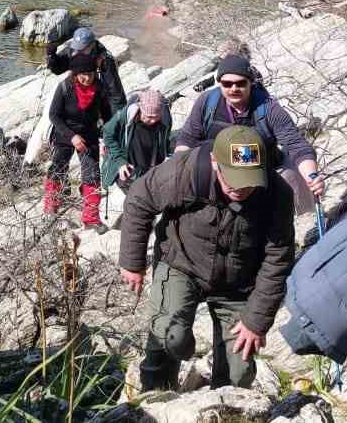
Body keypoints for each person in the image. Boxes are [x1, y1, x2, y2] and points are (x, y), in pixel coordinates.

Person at [119, 125, 297, 391]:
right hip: (182, 264)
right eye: (233, 179)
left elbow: (278, 260)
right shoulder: (186, 171)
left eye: (249, 181)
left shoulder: (276, 194)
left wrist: (255, 321)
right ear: (215, 162)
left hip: (238, 283)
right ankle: (155, 398)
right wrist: (132, 262)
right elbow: (139, 198)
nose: (241, 188)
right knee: (170, 336)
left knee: (239, 374)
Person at [174, 53, 324, 205]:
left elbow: (296, 145)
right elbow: (188, 137)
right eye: (227, 84)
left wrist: (312, 176)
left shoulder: (269, 109)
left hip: (258, 174)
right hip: (217, 169)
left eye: (240, 83)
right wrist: (177, 167)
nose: (234, 88)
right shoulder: (207, 102)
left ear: (250, 83)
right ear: (219, 83)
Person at [45, 52, 113, 227]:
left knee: (92, 175)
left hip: (89, 133)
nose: (87, 78)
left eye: (91, 74)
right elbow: (53, 115)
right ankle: (51, 208)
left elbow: (107, 115)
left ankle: (90, 219)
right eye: (83, 75)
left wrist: (106, 138)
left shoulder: (99, 88)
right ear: (75, 74)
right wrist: (72, 136)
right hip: (64, 133)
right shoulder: (65, 88)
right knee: (57, 170)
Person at [101, 89, 172, 228]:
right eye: (148, 116)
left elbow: (165, 141)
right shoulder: (126, 115)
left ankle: (137, 225)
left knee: (145, 200)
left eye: (155, 117)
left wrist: (167, 157)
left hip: (148, 166)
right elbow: (108, 135)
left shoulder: (165, 118)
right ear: (140, 109)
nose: (152, 121)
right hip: (124, 166)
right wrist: (120, 162)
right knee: (137, 199)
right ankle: (135, 227)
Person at [46, 27, 128, 114]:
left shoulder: (104, 60)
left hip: (96, 96)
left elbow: (115, 92)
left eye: (82, 48)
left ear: (92, 45)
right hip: (76, 93)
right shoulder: (73, 50)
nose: (78, 51)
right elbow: (58, 69)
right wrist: (52, 57)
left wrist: (118, 117)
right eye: (77, 48)